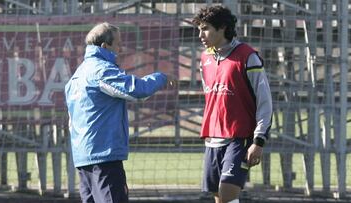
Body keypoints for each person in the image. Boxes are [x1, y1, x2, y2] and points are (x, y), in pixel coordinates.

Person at [65, 22, 170, 203]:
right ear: (105, 46)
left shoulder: (77, 75)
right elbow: (137, 91)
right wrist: (161, 77)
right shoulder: (101, 70)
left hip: (83, 157)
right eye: (118, 44)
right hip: (104, 155)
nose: (120, 49)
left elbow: (70, 120)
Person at [192, 6, 273, 203]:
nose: (200, 34)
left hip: (240, 138)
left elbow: (265, 101)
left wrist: (259, 140)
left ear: (222, 28)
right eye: (199, 29)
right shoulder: (205, 58)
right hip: (213, 138)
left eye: (205, 28)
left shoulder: (247, 56)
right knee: (220, 198)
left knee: (227, 192)